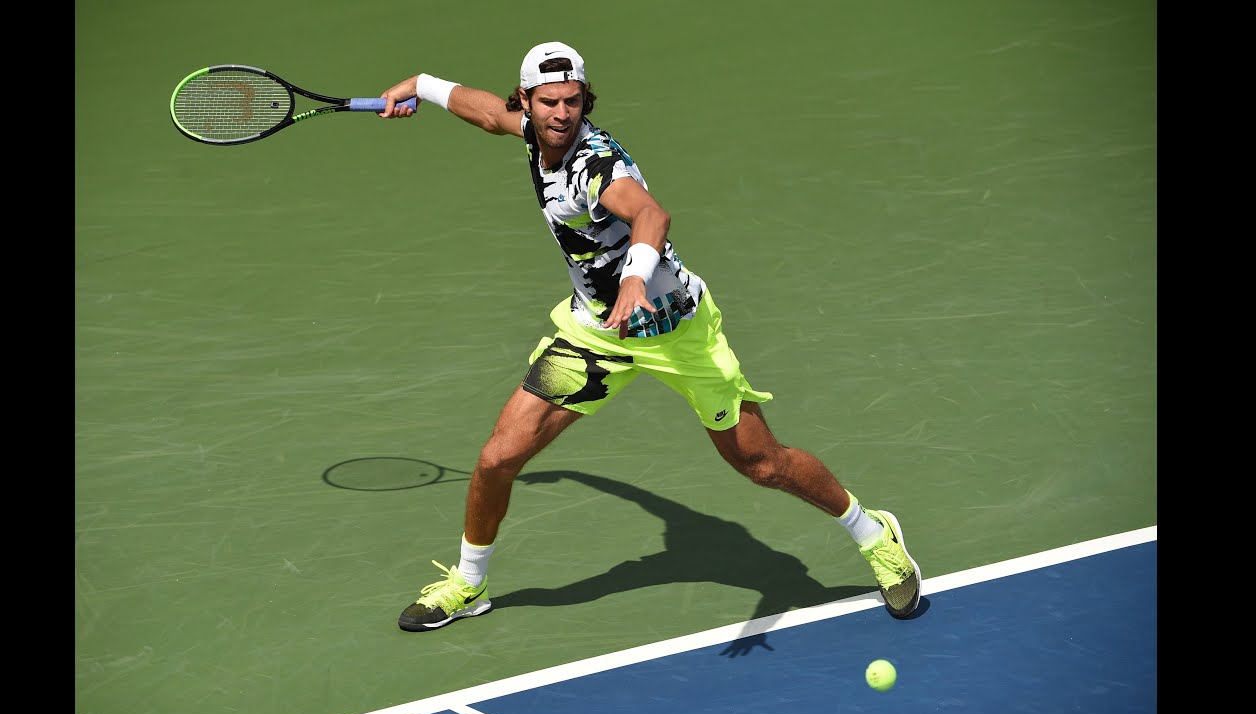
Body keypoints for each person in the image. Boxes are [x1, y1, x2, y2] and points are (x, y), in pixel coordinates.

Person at [377, 41, 921, 632]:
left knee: (763, 465)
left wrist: (634, 281)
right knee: (497, 458)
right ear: (527, 101)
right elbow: (485, 113)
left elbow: (651, 216)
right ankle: (469, 582)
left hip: (674, 329)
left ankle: (873, 533)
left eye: (574, 101)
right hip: (597, 336)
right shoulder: (533, 132)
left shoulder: (594, 166)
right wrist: (421, 84)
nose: (563, 113)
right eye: (550, 102)